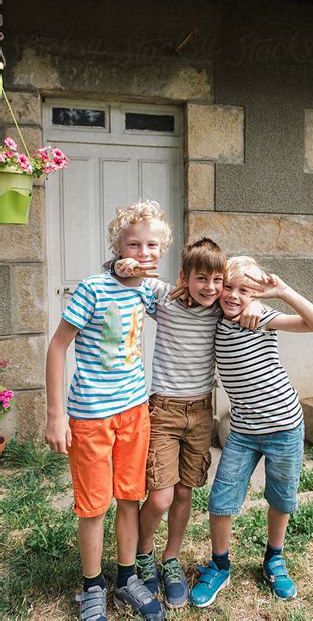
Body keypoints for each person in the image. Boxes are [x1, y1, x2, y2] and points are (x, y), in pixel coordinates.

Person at [113, 238, 261, 610]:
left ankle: (171, 559)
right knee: (160, 494)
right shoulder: (164, 298)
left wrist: (255, 301)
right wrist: (118, 265)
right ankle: (144, 553)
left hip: (200, 411)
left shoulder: (219, 309)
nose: (210, 287)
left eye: (217, 280)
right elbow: (124, 277)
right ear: (184, 277)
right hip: (163, 409)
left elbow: (247, 300)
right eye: (201, 279)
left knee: (183, 492)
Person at [45, 200, 170, 621]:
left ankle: (127, 577)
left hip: (135, 413)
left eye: (152, 244)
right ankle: (92, 587)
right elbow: (58, 346)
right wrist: (55, 414)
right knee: (94, 505)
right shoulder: (92, 288)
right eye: (133, 244)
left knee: (129, 499)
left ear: (162, 249)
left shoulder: (149, 290)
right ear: (117, 246)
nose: (143, 252)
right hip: (91, 417)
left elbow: (180, 304)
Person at [190, 256, 313, 608]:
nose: (234, 296)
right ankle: (220, 565)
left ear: (256, 295)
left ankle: (274, 559)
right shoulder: (215, 317)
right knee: (221, 499)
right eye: (228, 287)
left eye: (244, 291)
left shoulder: (263, 317)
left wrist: (281, 292)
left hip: (284, 427)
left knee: (281, 498)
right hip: (243, 431)